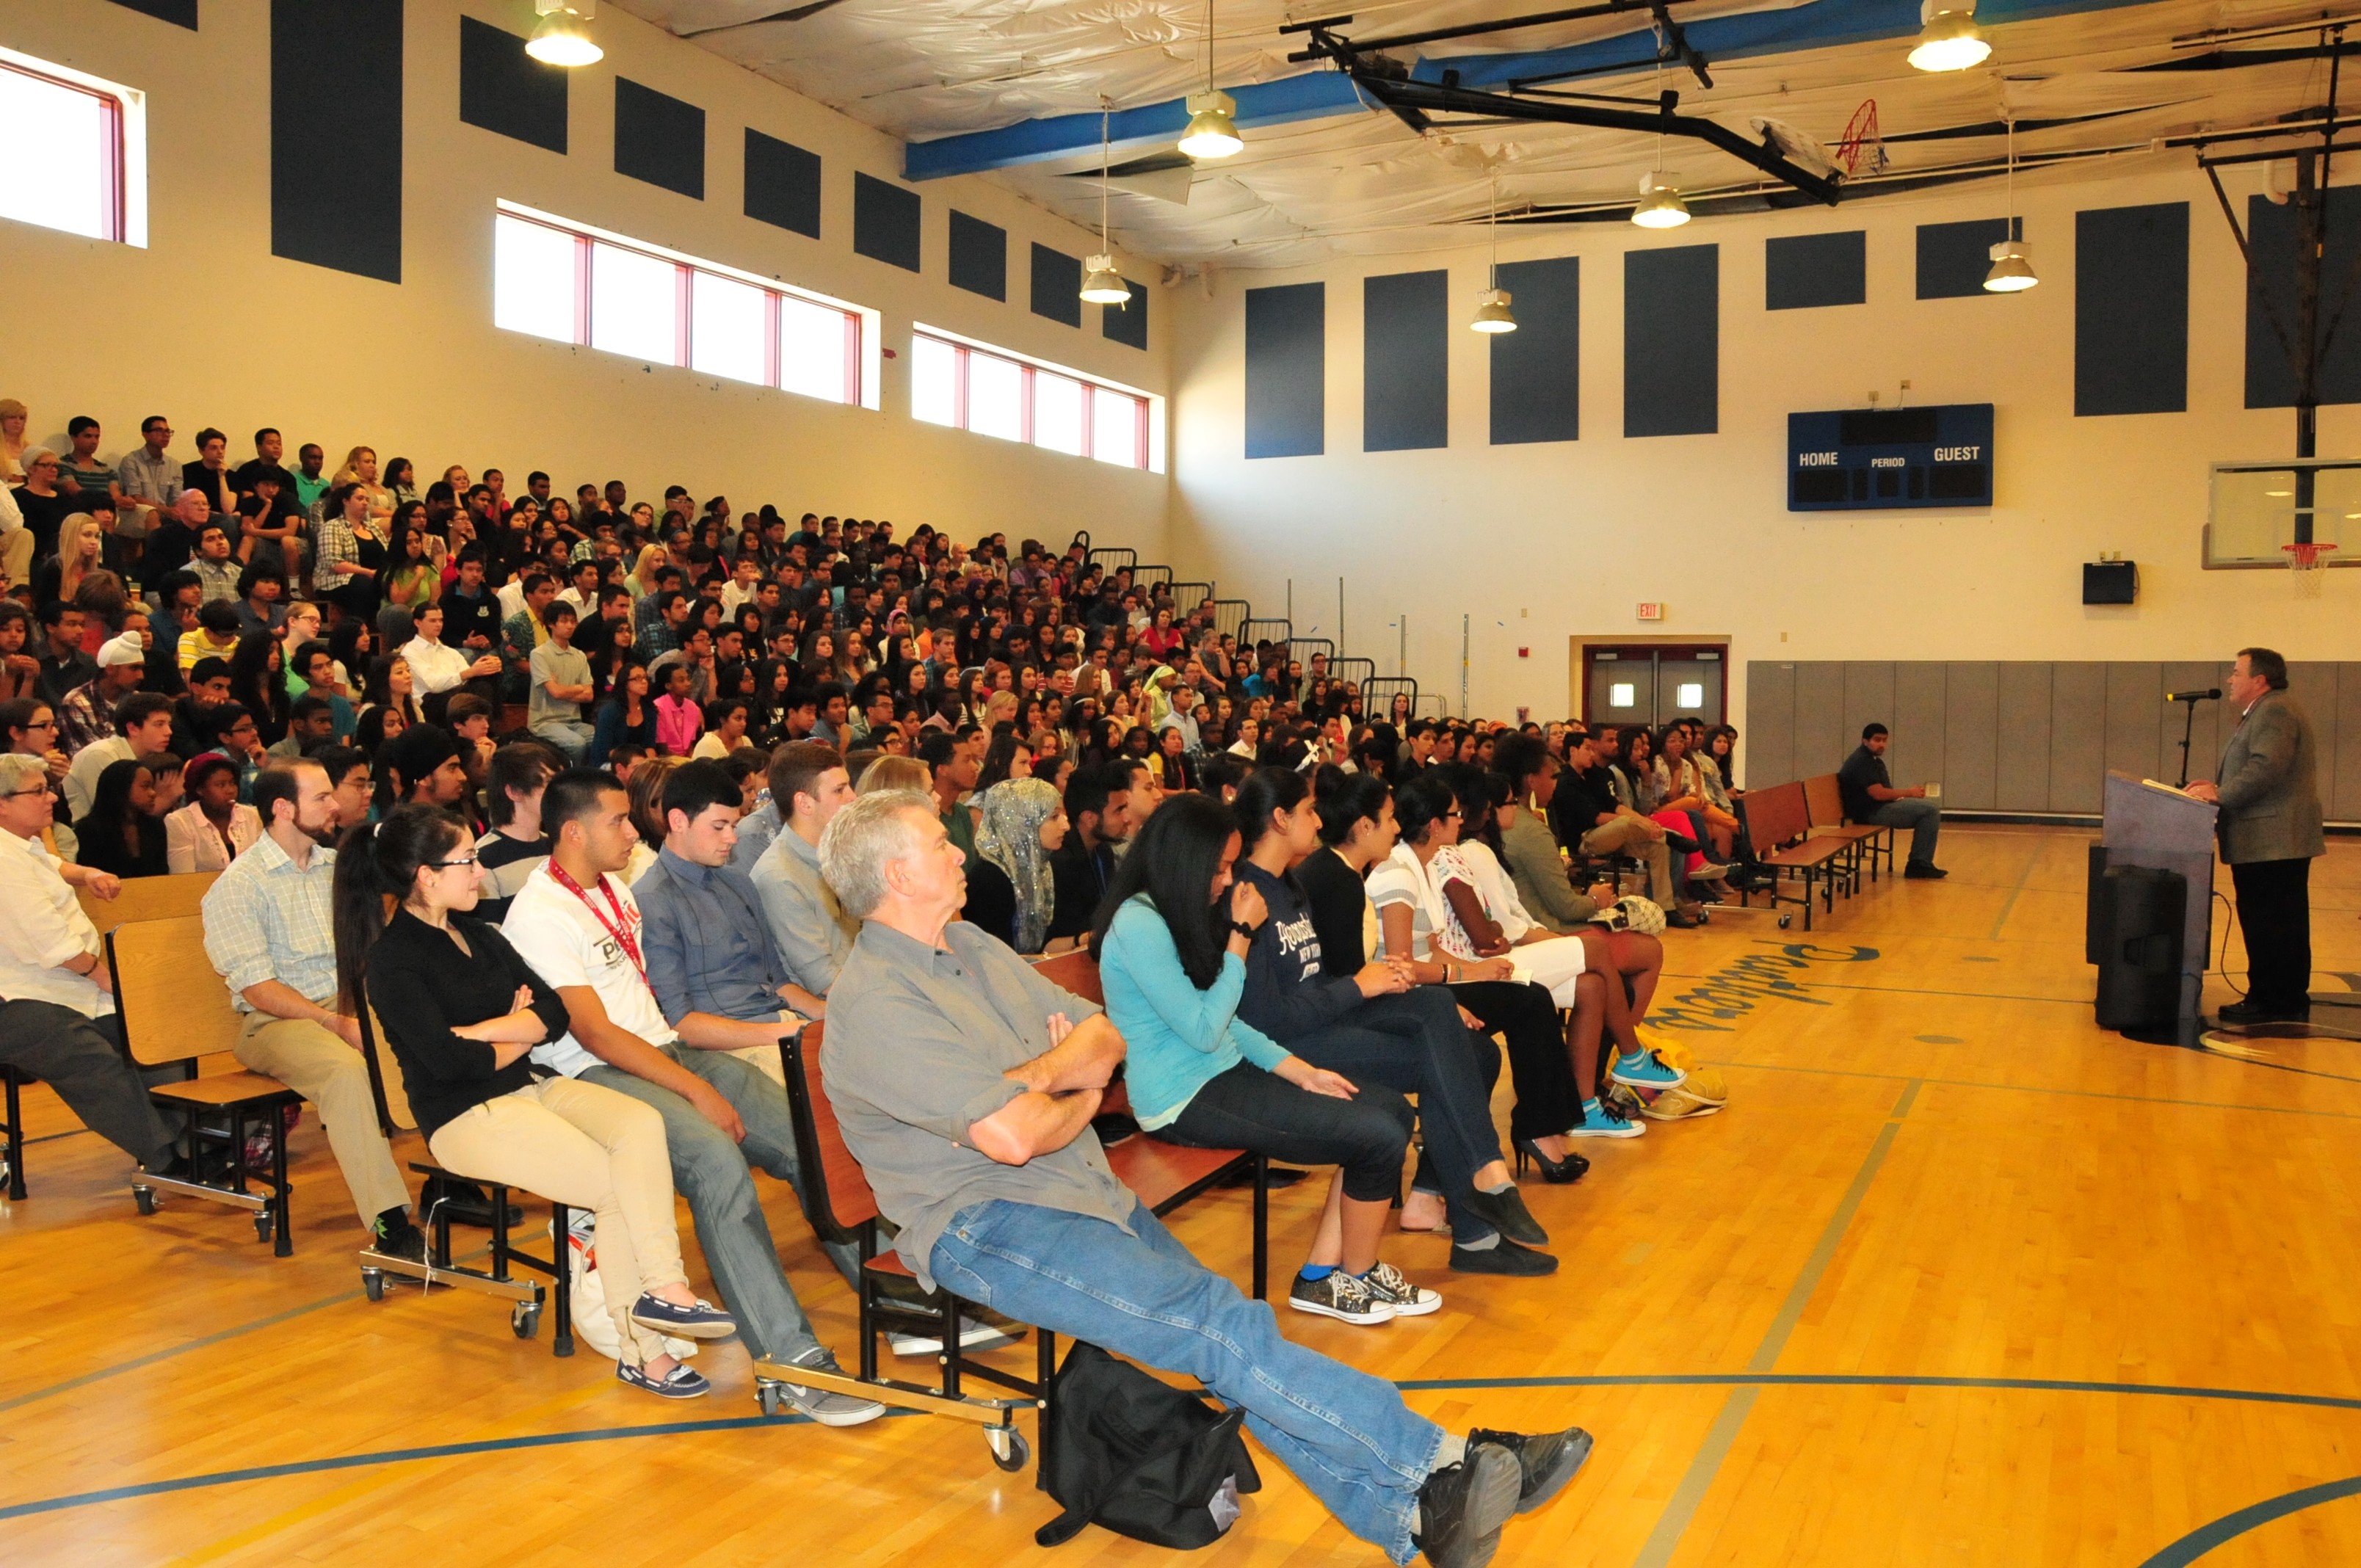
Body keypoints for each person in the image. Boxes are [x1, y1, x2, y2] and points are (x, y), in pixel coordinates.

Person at [818, 788, 1589, 1566]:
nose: (959, 851)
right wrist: (1069, 1083)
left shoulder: (972, 948)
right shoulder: (879, 1002)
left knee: (1227, 1337)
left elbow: (1105, 1035)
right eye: (937, 845)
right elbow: (1014, 1136)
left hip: (1077, 1190)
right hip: (986, 1223)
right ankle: (1439, 1465)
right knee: (1221, 1327)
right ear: (896, 876)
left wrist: (1049, 1079)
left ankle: (1416, 1519)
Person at [498, 767, 882, 1423]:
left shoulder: (611, 888)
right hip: (599, 1072)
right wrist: (692, 1088)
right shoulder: (539, 913)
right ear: (573, 831)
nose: (631, 829)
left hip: (667, 1052)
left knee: (809, 1147)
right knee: (715, 1164)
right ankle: (792, 1360)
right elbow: (593, 1033)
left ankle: (891, 1298)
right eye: (618, 820)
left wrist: (694, 1067)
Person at [330, 803, 739, 1398]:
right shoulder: (393, 961)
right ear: (425, 875)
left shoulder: (477, 933)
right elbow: (450, 1065)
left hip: (529, 1085)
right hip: (465, 1116)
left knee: (639, 1125)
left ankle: (665, 1290)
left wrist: (492, 1028)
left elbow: (551, 1014)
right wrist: (511, 1023)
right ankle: (643, 1350)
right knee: (611, 1184)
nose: (480, 873)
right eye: (466, 860)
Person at [1096, 794, 1437, 1325]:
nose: (1227, 880)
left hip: (1222, 1071)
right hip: (1180, 1098)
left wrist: (1299, 1070)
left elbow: (1230, 1025)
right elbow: (1206, 1028)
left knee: (1390, 1110)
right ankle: (1354, 1273)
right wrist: (1240, 935)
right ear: (1184, 862)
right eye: (1220, 867)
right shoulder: (1139, 924)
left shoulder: (1175, 912)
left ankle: (1327, 1276)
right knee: (1375, 1134)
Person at [1228, 766, 1556, 1277]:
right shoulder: (1249, 896)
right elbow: (1266, 1018)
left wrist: (1372, 987)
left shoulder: (1290, 885)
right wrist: (1361, 986)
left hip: (1321, 1021)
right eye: (1310, 810)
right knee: (1454, 1052)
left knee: (1443, 1019)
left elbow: (1319, 984)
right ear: (1278, 818)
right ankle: (1481, 1205)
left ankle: (1483, 1199)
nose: (1320, 820)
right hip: (1289, 1048)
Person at [200, 761, 422, 1255]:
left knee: (432, 1032)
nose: (335, 805)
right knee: (344, 1071)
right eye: (321, 797)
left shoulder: (334, 868)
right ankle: (389, 1220)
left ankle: (457, 1177)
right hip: (276, 1020)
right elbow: (258, 989)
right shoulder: (240, 885)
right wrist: (334, 1021)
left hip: (344, 1002)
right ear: (282, 808)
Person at [0, 752, 188, 1180]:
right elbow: (55, 945)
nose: (52, 797)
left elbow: (53, 865)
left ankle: (193, 1140)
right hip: (17, 999)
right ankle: (166, 1156)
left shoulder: (21, 845)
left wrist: (86, 874)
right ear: (2, 805)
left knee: (152, 1035)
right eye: (39, 791)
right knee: (92, 1060)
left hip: (62, 985)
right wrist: (114, 985)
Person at [2183, 647, 2326, 1025]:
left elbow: (2266, 767)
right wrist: (2217, 785)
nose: (2230, 679)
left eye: (2236, 672)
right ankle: (2279, 995)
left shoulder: (2274, 711)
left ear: (2259, 680)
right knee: (2277, 921)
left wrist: (2220, 794)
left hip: (2272, 840)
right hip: (2271, 839)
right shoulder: (2269, 710)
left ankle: (2274, 999)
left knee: (2273, 923)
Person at [748, 741, 858, 1009]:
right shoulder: (777, 876)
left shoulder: (844, 854)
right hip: (828, 1014)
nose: (853, 797)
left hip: (864, 990)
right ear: (805, 803)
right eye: (839, 790)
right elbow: (826, 982)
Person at [1490, 733, 1605, 934]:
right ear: (1532, 781)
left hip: (1515, 925)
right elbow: (1566, 908)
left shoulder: (1491, 820)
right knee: (1645, 941)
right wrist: (1595, 899)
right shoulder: (1531, 831)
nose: (1555, 784)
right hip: (1541, 928)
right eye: (1552, 777)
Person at [962, 777, 1065, 954]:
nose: (1066, 825)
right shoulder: (989, 879)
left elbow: (1044, 945)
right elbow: (991, 956)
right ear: (1022, 823)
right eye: (1054, 817)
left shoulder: (1042, 868)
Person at [1838, 723, 1944, 879]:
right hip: (1869, 814)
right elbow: (1878, 794)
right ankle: (1918, 864)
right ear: (1865, 741)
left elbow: (1884, 790)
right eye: (1877, 740)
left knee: (1929, 809)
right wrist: (1909, 793)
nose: (1881, 744)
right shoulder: (1861, 761)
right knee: (1929, 811)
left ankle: (1921, 863)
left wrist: (1897, 796)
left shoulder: (1873, 760)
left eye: (1884, 740)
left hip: (1877, 807)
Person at [1043, 763, 1131, 949]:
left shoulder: (1102, 850)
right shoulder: (1059, 864)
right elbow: (1048, 942)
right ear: (1089, 818)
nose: (1126, 818)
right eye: (1119, 810)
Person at [475, 740, 561, 924]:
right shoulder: (483, 858)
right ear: (515, 792)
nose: (557, 793)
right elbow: (492, 937)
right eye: (547, 783)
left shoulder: (557, 845)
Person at [164, 754, 262, 873]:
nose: (231, 790)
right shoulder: (180, 822)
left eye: (232, 783)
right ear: (200, 789)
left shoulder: (252, 816)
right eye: (221, 785)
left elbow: (262, 867)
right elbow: (183, 877)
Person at [74, 758, 170, 879]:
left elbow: (162, 875)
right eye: (145, 786)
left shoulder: (155, 826)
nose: (153, 793)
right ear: (121, 788)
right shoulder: (89, 830)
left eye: (152, 787)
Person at [527, 600, 598, 760]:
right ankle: (572, 780)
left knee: (600, 737)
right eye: (564, 621)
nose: (570, 626)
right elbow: (555, 693)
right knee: (576, 744)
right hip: (544, 723)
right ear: (551, 624)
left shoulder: (579, 655)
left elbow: (589, 695)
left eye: (573, 621)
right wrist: (579, 687)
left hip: (574, 720)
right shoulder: (539, 654)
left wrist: (562, 688)